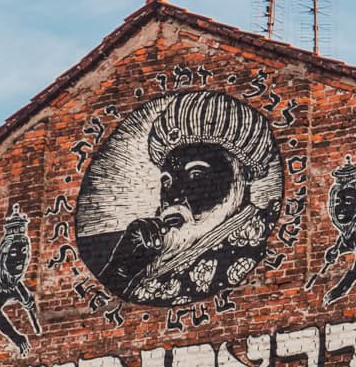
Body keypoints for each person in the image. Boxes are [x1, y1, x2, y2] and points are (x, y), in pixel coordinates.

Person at [77, 91, 281, 309]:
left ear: (244, 175)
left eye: (196, 175)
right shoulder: (154, 257)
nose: (174, 195)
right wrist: (122, 266)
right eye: (166, 182)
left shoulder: (262, 241)